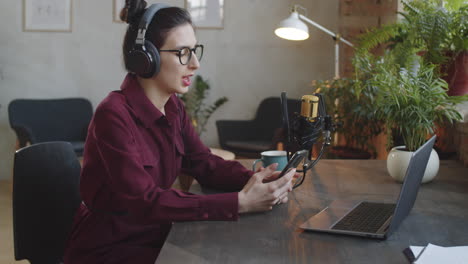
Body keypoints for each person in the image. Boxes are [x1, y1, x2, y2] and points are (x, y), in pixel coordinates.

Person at [63, 1, 296, 263]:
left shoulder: (173, 107)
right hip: (111, 248)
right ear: (145, 58)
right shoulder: (113, 115)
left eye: (195, 51)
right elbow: (145, 201)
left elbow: (203, 163)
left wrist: (259, 179)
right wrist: (239, 203)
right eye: (183, 53)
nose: (195, 64)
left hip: (158, 235)